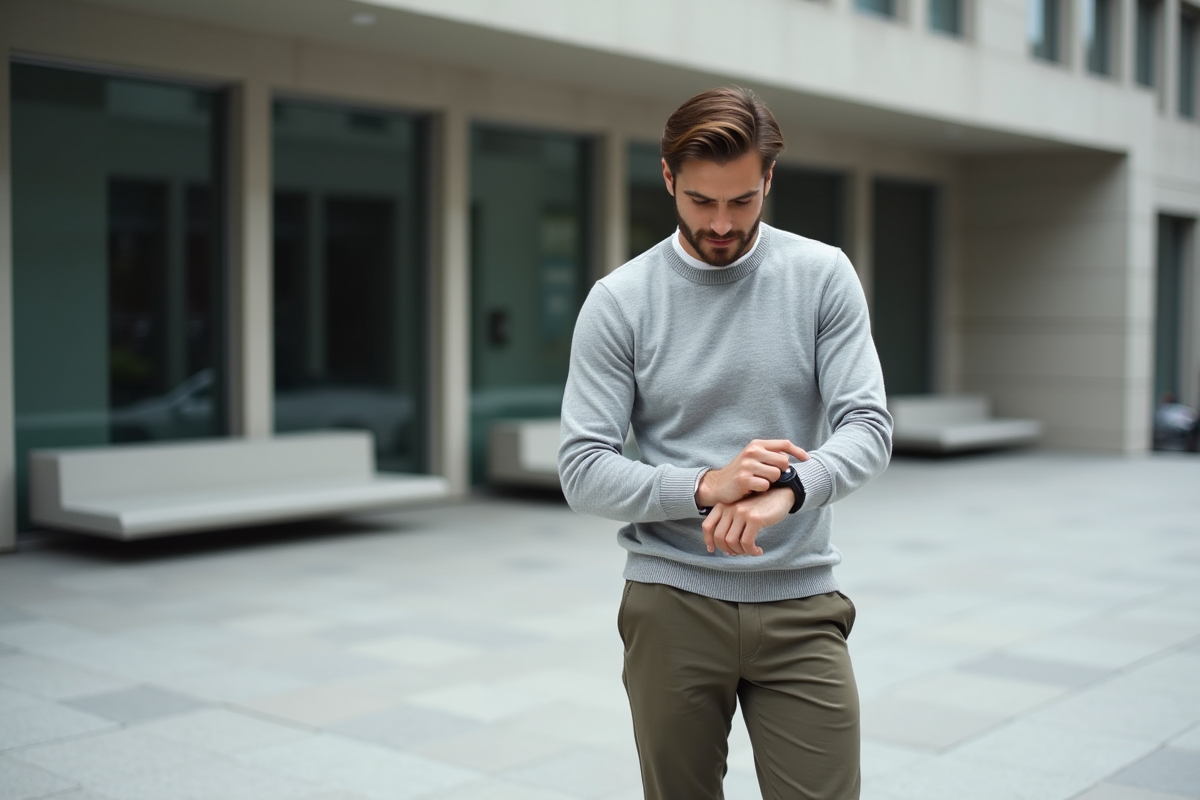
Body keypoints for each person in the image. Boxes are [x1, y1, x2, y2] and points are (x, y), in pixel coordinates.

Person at [558, 87, 892, 800]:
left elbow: (869, 428)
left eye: (742, 201)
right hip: (671, 600)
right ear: (669, 177)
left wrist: (788, 493)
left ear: (768, 179)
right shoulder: (620, 300)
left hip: (803, 601)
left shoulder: (821, 275)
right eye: (702, 201)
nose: (721, 223)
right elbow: (582, 470)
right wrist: (708, 485)